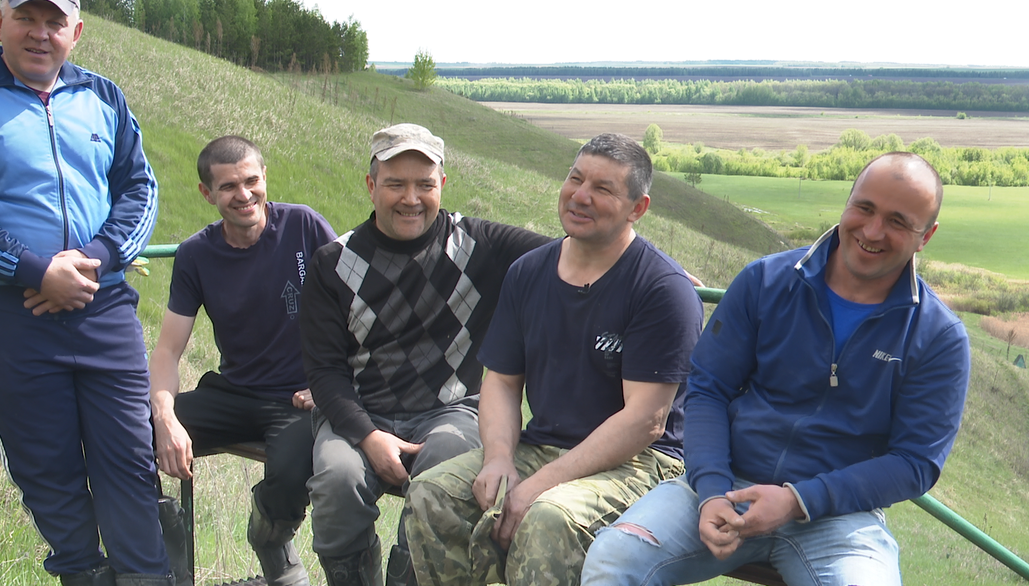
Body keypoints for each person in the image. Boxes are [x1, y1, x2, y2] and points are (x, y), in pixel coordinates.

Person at [582, 152, 971, 586]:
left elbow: (915, 462)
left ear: (926, 236)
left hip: (837, 515)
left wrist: (798, 500)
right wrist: (711, 489)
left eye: (898, 222)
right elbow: (709, 389)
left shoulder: (938, 336)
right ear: (848, 201)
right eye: (864, 208)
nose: (873, 230)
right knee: (613, 559)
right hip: (723, 487)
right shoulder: (765, 282)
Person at [0, 0, 171, 585]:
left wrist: (96, 259)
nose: (40, 33)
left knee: (130, 464)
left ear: (76, 31)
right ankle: (82, 575)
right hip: (15, 316)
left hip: (105, 308)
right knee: (46, 468)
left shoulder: (104, 98)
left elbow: (139, 188)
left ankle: (146, 578)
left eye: (54, 21)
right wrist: (34, 271)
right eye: (26, 18)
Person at [403, 133, 704, 586]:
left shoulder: (661, 289)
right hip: (542, 446)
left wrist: (541, 484)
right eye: (575, 178)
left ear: (637, 208)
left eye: (602, 189)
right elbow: (501, 383)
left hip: (643, 463)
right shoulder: (528, 273)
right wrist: (499, 458)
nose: (580, 196)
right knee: (433, 493)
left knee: (547, 518)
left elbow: (646, 421)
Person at [299, 124, 553, 586]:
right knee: (337, 478)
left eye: (424, 184)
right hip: (360, 410)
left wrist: (655, 268)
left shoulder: (480, 246)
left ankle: (410, 575)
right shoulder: (332, 264)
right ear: (372, 185)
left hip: (452, 409)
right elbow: (324, 371)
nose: (410, 198)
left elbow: (571, 250)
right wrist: (369, 436)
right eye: (395, 184)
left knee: (443, 471)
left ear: (443, 186)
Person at [149, 135, 336, 586]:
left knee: (293, 472)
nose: (244, 194)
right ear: (206, 193)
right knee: (126, 434)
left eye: (252, 180)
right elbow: (168, 349)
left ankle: (273, 549)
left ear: (265, 177)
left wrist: (332, 383)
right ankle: (167, 566)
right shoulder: (196, 254)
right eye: (229, 186)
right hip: (233, 394)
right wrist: (164, 416)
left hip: (300, 399)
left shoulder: (305, 227)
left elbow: (357, 308)